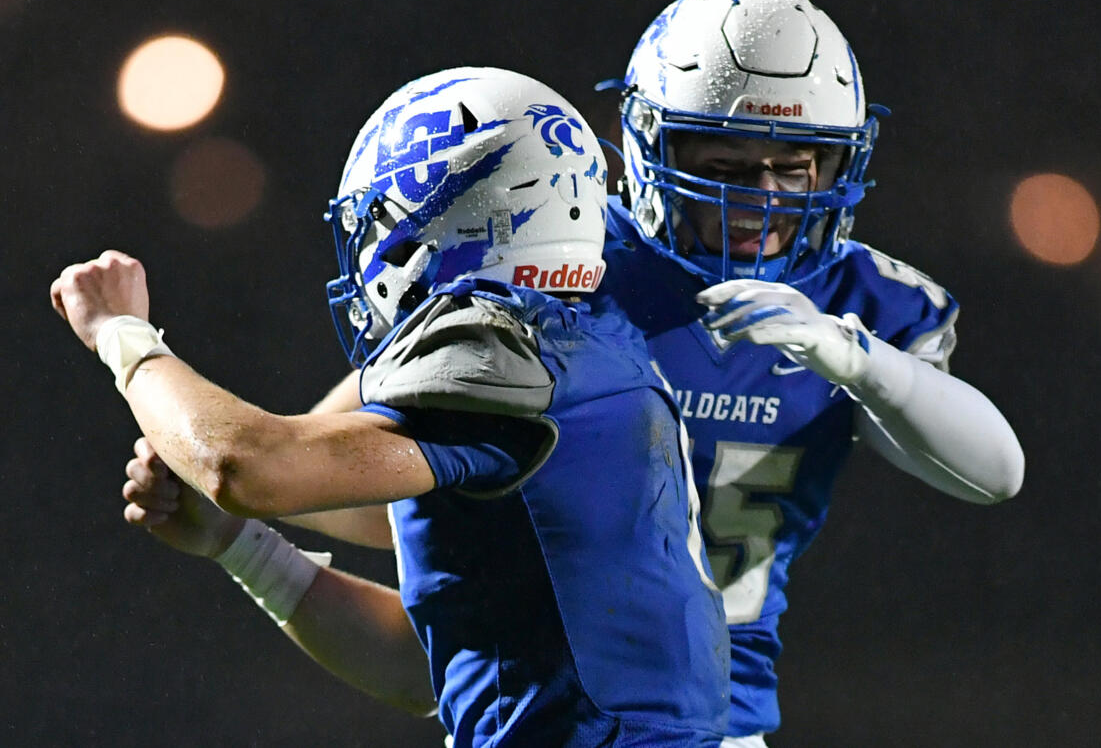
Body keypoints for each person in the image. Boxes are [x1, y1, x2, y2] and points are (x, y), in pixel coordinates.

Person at [53, 67, 730, 747]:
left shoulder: (508, 349)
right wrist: (239, 543)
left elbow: (244, 464)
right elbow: (429, 671)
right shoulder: (585, 356)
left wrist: (122, 334)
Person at [595, 0, 1025, 745]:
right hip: (548, 698)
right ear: (652, 148)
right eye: (725, 168)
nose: (764, 199)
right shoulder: (577, 265)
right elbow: (386, 448)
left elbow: (998, 472)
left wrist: (854, 357)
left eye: (793, 169)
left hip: (721, 720)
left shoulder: (862, 303)